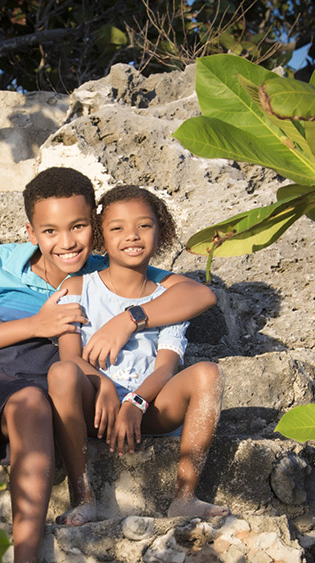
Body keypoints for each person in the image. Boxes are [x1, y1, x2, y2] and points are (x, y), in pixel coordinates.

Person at [0, 168, 217, 563]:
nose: (67, 242)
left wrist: (130, 320)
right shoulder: (1, 262)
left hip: (27, 388)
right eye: (50, 231)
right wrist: (37, 324)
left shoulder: (108, 268)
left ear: (95, 229)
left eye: (79, 227)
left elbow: (198, 293)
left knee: (32, 404)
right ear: (31, 232)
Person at [50, 185, 229, 521]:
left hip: (150, 408)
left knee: (209, 372)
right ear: (101, 236)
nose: (131, 236)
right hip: (95, 409)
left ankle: (185, 497)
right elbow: (69, 358)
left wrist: (136, 402)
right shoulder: (78, 288)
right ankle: (83, 497)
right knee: (60, 374)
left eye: (144, 226)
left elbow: (166, 369)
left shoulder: (168, 298)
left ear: (161, 232)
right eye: (117, 228)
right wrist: (103, 386)